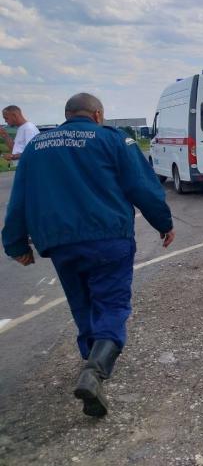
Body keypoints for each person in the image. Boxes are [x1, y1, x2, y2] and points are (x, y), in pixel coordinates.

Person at [1, 93, 175, 418]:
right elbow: (142, 186)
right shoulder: (114, 140)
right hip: (109, 239)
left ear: (67, 115)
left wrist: (16, 246)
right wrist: (163, 224)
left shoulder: (37, 148)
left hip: (61, 244)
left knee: (82, 304)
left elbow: (19, 201)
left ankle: (89, 361)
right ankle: (95, 371)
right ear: (97, 115)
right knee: (111, 303)